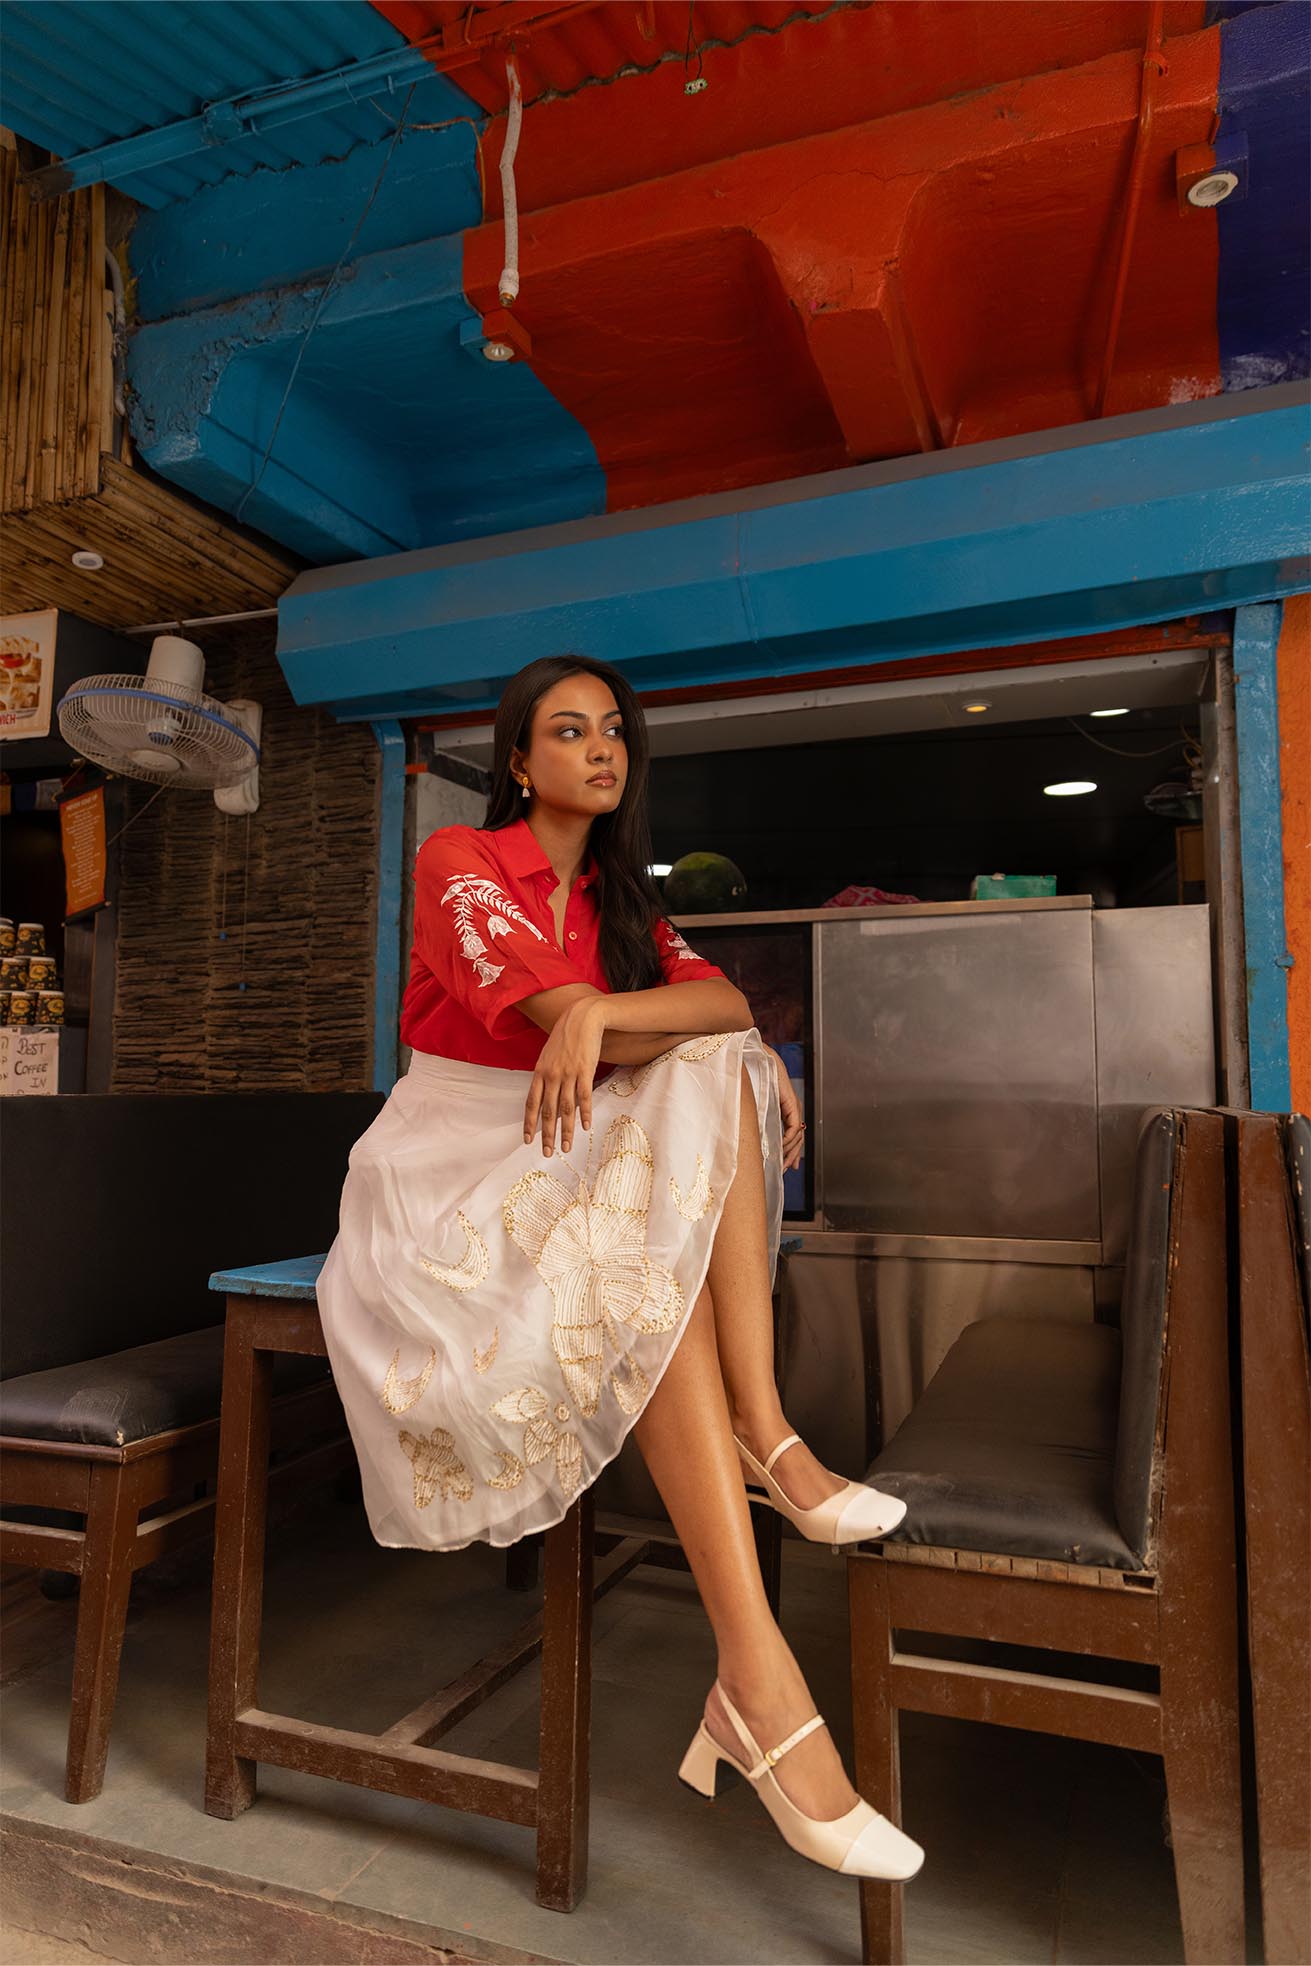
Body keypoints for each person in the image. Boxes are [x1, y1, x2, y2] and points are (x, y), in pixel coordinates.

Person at [317, 654, 923, 1884]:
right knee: (700, 1102)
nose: (601, 748)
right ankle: (758, 1645)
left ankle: (759, 1505)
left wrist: (622, 1014)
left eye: (614, 732)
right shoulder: (460, 861)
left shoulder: (620, 901)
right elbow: (572, 1023)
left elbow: (731, 1005)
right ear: (518, 757)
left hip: (561, 1150)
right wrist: (603, 1015)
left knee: (721, 1072)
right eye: (568, 730)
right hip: (448, 1172)